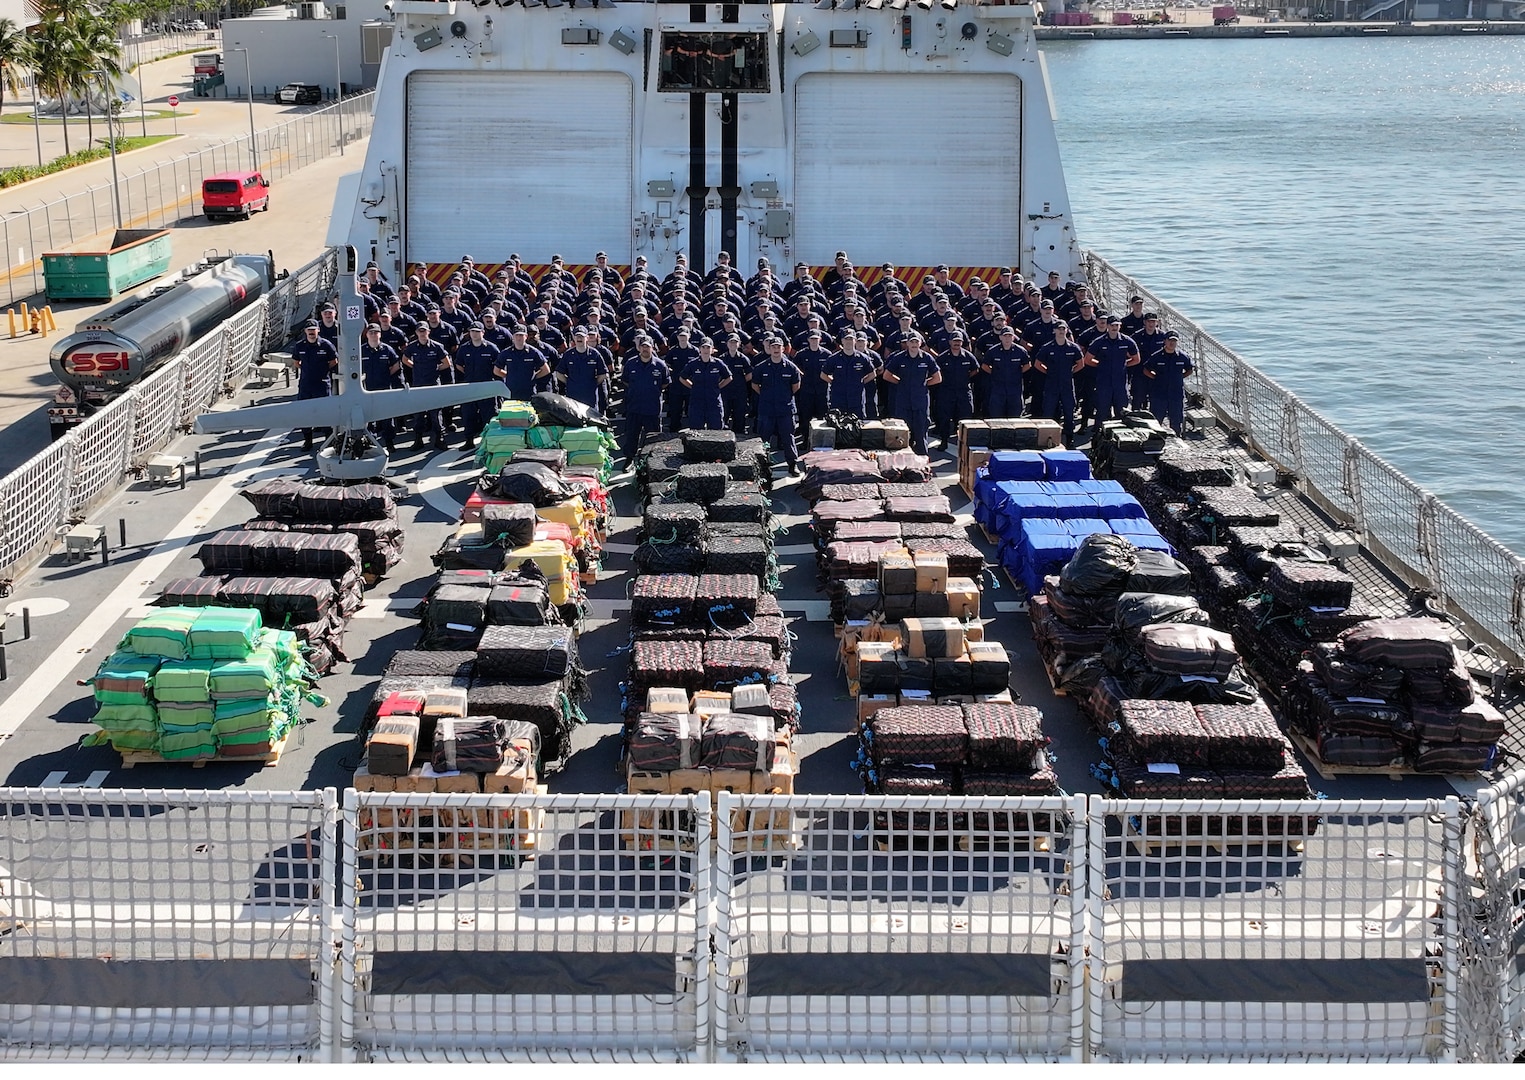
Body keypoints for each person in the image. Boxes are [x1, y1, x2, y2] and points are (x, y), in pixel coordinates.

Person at [750, 336, 803, 474]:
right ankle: (762, 466)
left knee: (788, 438)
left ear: (783, 349)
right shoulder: (761, 367)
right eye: (773, 347)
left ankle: (792, 464)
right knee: (764, 439)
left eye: (778, 347)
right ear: (769, 349)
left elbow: (796, 386)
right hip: (767, 409)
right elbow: (755, 385)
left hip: (785, 409)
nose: (775, 349)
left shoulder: (791, 367)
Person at [883, 333, 942, 455]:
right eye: (912, 342)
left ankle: (923, 465)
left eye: (916, 342)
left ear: (920, 343)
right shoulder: (899, 358)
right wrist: (900, 383)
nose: (914, 345)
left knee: (921, 434)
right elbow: (886, 375)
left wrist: (923, 384)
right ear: (907, 344)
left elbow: (937, 378)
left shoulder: (927, 358)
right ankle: (903, 464)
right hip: (903, 401)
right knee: (903, 435)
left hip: (920, 401)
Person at [1084, 314, 1141, 436]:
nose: (1115, 328)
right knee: (1102, 412)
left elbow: (1136, 359)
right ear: (1108, 326)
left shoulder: (1127, 341)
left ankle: (1121, 440)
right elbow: (1088, 359)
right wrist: (1100, 366)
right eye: (1112, 325)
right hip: (1103, 384)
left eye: (1117, 325)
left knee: (1122, 413)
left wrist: (1124, 365)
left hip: (1120, 384)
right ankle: (1099, 439)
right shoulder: (1099, 342)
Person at [402, 322, 453, 450]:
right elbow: (404, 359)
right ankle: (418, 439)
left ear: (428, 332)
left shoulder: (437, 347)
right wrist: (415, 367)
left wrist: (435, 370)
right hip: (418, 385)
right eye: (420, 331)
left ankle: (439, 438)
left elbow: (447, 363)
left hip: (433, 385)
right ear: (416, 333)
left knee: (435, 414)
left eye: (424, 331)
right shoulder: (412, 347)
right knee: (418, 414)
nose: (422, 333)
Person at [1035, 321, 1086, 449]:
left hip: (1067, 385)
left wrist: (1069, 373)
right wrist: (1048, 372)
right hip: (1051, 385)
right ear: (1054, 331)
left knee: (1069, 413)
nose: (1061, 331)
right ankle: (1046, 440)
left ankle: (1070, 440)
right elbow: (1037, 364)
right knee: (1048, 412)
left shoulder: (1073, 348)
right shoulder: (1047, 347)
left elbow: (1081, 363)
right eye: (1059, 329)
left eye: (1063, 329)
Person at [453, 322, 503, 451]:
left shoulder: (491, 348)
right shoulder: (464, 348)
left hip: (487, 386)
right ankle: (469, 440)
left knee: (489, 415)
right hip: (470, 387)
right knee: (468, 415)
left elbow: (499, 366)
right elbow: (459, 365)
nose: (474, 334)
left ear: (483, 332)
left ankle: (489, 441)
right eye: (472, 331)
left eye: (477, 331)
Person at [621, 333, 670, 464]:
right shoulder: (631, 364)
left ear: (652, 348)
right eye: (642, 346)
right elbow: (625, 381)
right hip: (634, 406)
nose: (645, 349)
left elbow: (665, 383)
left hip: (652, 408)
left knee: (653, 438)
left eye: (647, 347)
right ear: (639, 348)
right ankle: (629, 459)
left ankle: (652, 462)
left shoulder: (660, 365)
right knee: (631, 436)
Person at [291, 320, 338, 451]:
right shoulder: (300, 346)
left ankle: (328, 440)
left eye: (313, 329)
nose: (311, 332)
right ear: (305, 332)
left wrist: (322, 371)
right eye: (309, 330)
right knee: (304, 413)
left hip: (322, 384)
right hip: (306, 384)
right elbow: (296, 361)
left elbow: (334, 361)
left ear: (318, 330)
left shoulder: (326, 345)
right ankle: (307, 440)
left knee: (325, 412)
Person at [360, 323, 402, 452]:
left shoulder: (387, 349)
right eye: (371, 332)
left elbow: (396, 364)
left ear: (380, 334)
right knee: (369, 418)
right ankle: (371, 443)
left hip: (384, 388)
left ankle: (389, 442)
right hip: (366, 389)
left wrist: (387, 375)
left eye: (376, 332)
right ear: (366, 334)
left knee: (386, 418)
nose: (373, 335)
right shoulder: (361, 350)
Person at [933, 330, 978, 449]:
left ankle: (964, 443)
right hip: (947, 392)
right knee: (945, 418)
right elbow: (936, 372)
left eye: (959, 341)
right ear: (950, 342)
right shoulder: (942, 358)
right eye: (954, 341)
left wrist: (966, 379)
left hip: (963, 391)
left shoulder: (968, 356)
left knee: (965, 418)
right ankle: (944, 441)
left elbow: (975, 369)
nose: (957, 343)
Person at [1144, 329, 1195, 434]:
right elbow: (1146, 369)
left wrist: (1180, 377)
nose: (1172, 343)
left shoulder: (1182, 357)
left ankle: (1177, 440)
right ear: (1165, 341)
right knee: (1156, 421)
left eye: (1174, 341)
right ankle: (1155, 442)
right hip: (1159, 394)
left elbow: (1190, 369)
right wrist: (1155, 377)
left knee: (1176, 422)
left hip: (1175, 394)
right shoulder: (1157, 356)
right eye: (1170, 340)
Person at [679, 336, 732, 430]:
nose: (706, 350)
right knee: (696, 431)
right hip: (697, 402)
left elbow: (729, 377)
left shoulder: (718, 363)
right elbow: (682, 378)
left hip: (713, 401)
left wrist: (718, 387)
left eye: (708, 347)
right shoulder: (693, 364)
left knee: (716, 430)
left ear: (712, 350)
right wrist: (692, 386)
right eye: (703, 347)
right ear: (699, 349)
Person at [821, 333, 877, 419]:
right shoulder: (834, 358)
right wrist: (834, 382)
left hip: (856, 399)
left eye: (851, 339)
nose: (848, 342)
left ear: (855, 341)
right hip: (838, 399)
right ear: (842, 341)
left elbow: (872, 374)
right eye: (846, 339)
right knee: (837, 424)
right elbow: (823, 375)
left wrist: (860, 383)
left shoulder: (863, 358)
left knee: (857, 425)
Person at [980, 325, 1030, 419]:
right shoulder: (993, 351)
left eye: (1010, 336)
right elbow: (984, 366)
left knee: (1015, 416)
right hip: (998, 389)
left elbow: (1027, 365)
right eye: (1005, 336)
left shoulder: (1021, 351)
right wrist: (995, 373)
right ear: (1000, 337)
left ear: (1013, 337)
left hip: (1015, 388)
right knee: (996, 416)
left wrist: (1017, 373)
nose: (1007, 338)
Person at [556, 326, 609, 413]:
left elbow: (604, 374)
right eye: (577, 336)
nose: (579, 338)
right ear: (573, 338)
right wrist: (570, 383)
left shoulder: (594, 354)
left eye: (582, 336)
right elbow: (559, 373)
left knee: (591, 420)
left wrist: (592, 384)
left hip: (590, 397)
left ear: (587, 338)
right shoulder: (568, 355)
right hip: (573, 396)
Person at [499, 324, 551, 403]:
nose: (519, 338)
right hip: (511, 392)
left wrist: (533, 377)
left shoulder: (533, 352)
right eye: (517, 335)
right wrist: (510, 376)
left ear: (526, 336)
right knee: (511, 414)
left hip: (529, 392)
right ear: (513, 337)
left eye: (521, 335)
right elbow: (496, 370)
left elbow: (546, 370)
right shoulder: (506, 353)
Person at [1131, 312, 1167, 410]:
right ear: (1144, 322)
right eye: (1149, 321)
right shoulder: (1137, 336)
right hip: (1140, 372)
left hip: (1156, 373)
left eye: (1153, 322)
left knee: (1156, 399)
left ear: (1157, 323)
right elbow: (1129, 351)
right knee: (1137, 398)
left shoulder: (1163, 336)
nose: (1151, 324)